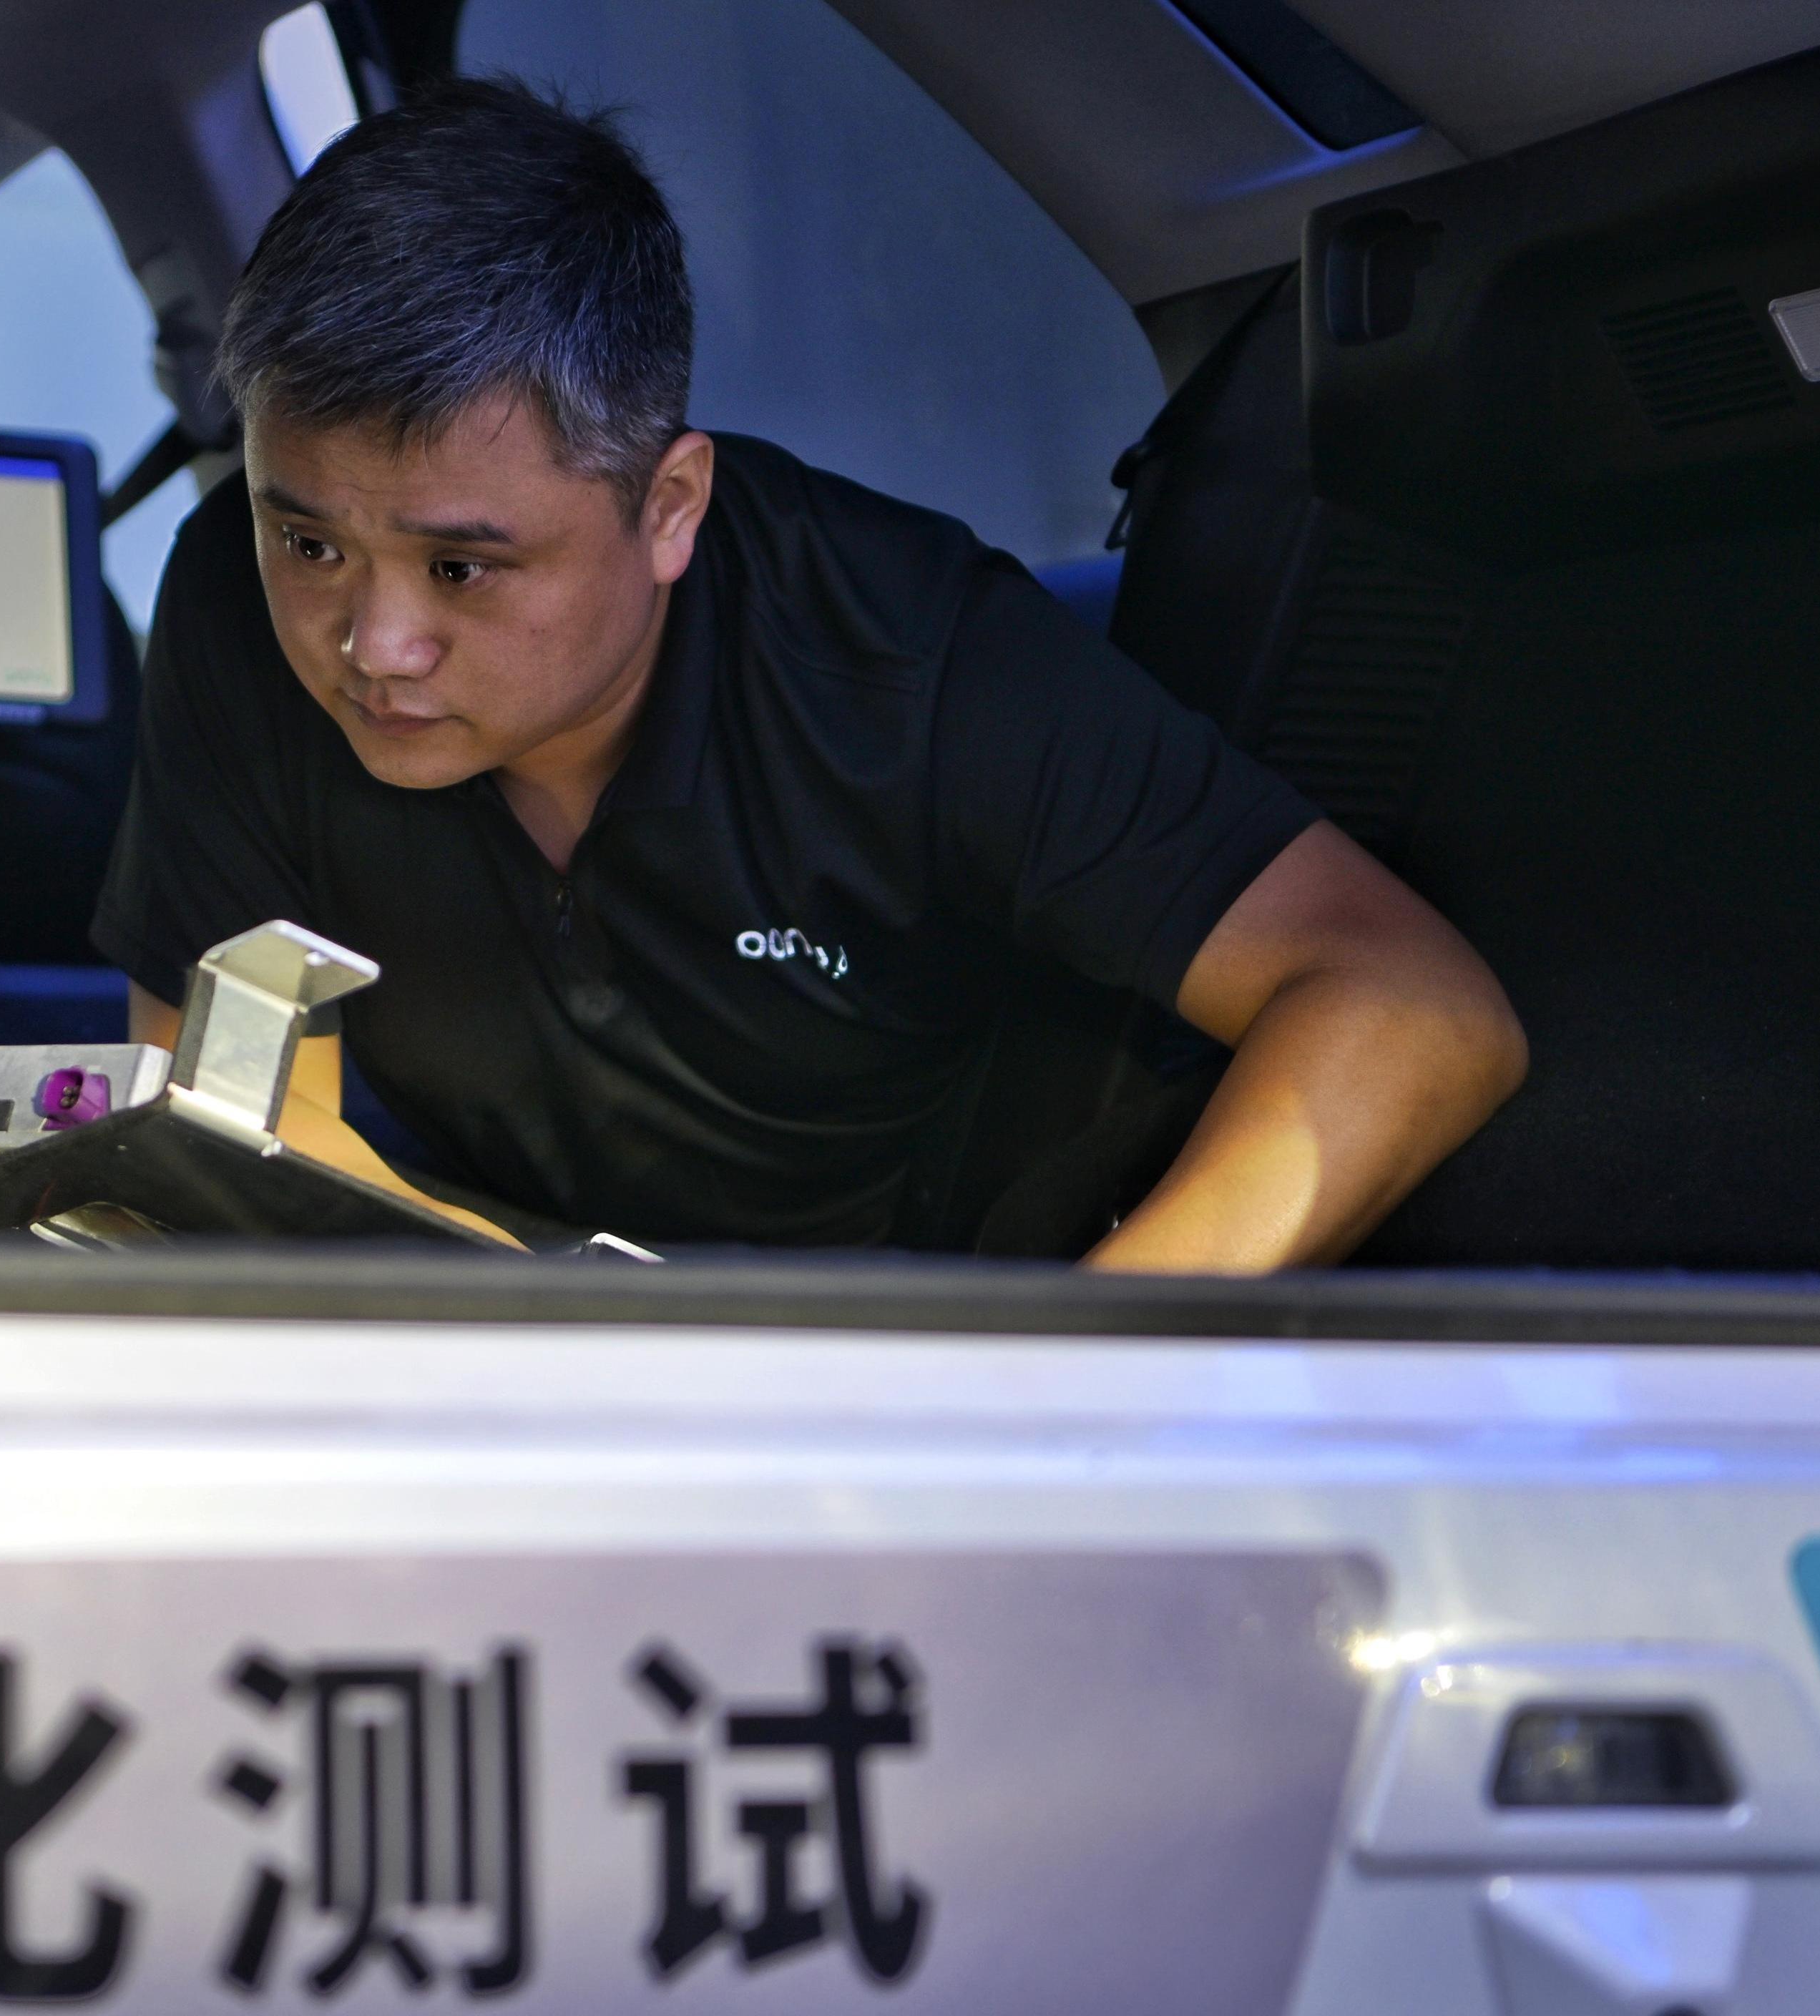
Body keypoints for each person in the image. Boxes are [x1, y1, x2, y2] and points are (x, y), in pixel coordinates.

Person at [91, 78, 1525, 1272]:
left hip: (901, 1328)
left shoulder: (910, 658)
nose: (373, 643)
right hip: (521, 1313)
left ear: (669, 506)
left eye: (462, 568)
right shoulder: (237, 600)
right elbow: (252, 1121)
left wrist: (1061, 1385)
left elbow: (1410, 1002)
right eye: (310, 541)